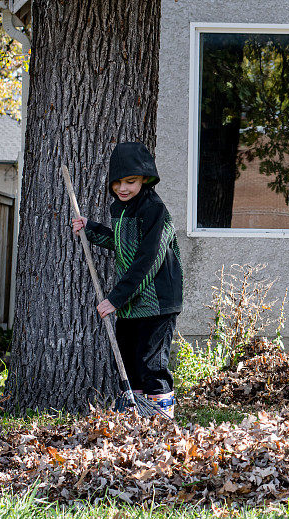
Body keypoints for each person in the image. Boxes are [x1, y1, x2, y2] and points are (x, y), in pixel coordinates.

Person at [71, 142, 183, 418]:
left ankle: (161, 423)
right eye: (117, 182)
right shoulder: (120, 208)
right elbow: (122, 244)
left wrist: (115, 298)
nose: (123, 188)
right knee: (130, 364)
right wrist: (92, 229)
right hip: (133, 302)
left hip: (157, 302)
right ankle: (138, 420)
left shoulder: (155, 210)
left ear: (145, 178)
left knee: (151, 364)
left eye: (130, 182)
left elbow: (147, 260)